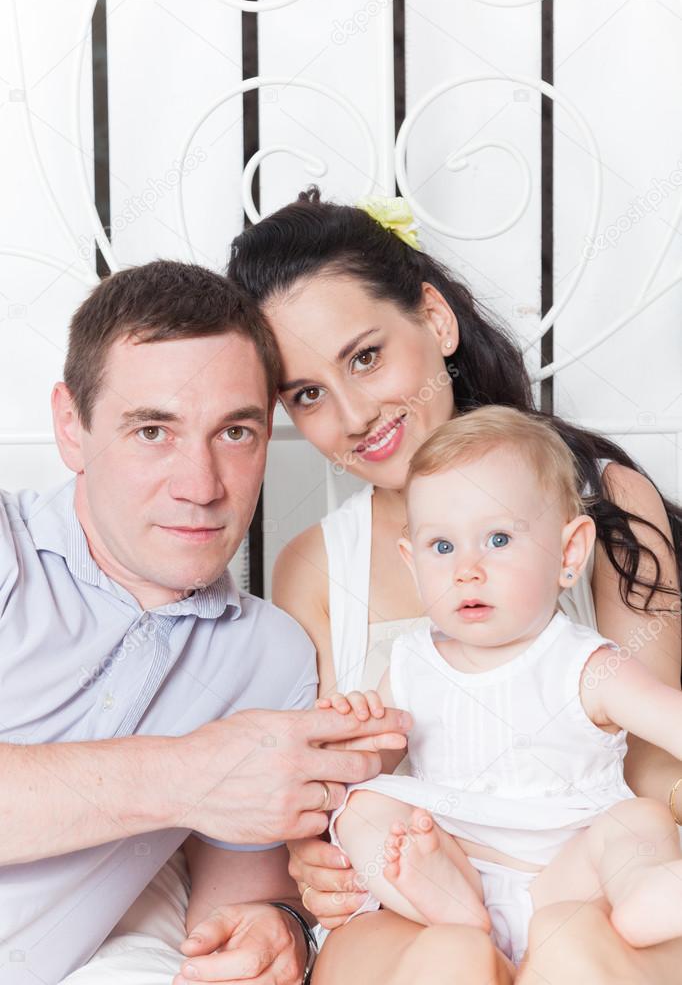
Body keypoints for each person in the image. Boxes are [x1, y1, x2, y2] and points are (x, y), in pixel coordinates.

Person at [224, 188, 682, 985]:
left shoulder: (603, 505)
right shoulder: (315, 564)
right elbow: (333, 777)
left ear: (435, 321)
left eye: (365, 356)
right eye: (307, 395)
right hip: (417, 899)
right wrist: (317, 855)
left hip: (582, 865)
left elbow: (653, 771)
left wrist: (598, 869)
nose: (355, 412)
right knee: (451, 955)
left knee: (575, 946)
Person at [0, 260, 410, 985]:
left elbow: (239, 902)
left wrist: (273, 929)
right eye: (153, 429)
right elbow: (206, 779)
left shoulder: (270, 655)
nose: (201, 486)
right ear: (72, 425)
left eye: (236, 433)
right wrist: (189, 772)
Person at [323, 406, 682, 969]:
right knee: (361, 808)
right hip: (457, 854)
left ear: (568, 554)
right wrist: (359, 731)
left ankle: (642, 889)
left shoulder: (586, 664)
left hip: (566, 874)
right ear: (412, 564)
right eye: (442, 547)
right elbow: (375, 762)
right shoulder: (411, 663)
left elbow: (672, 720)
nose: (467, 569)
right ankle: (455, 907)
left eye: (497, 538)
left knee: (637, 822)